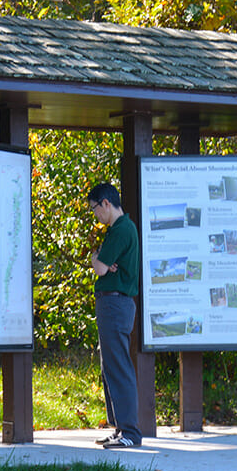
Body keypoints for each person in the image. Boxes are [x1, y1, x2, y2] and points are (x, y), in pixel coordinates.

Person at [87, 182, 142, 449]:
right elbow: (103, 265)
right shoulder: (119, 229)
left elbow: (98, 267)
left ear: (106, 203)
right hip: (113, 304)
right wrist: (103, 262)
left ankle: (130, 432)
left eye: (95, 208)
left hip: (116, 304)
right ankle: (120, 428)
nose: (95, 214)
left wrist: (100, 259)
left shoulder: (121, 230)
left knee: (119, 366)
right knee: (110, 366)